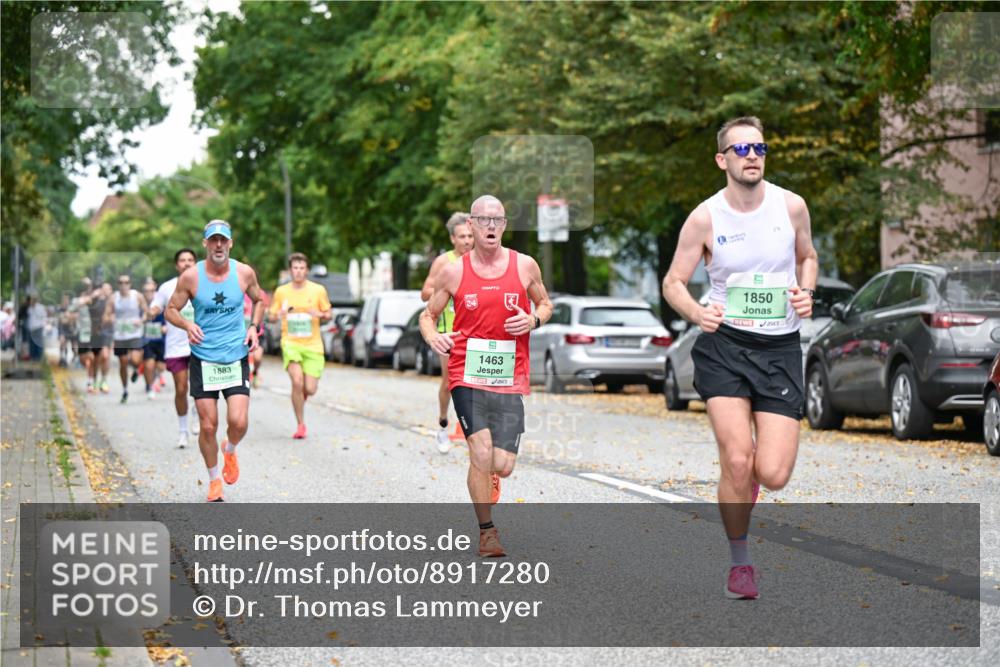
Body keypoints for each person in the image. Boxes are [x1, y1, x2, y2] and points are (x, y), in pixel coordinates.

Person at [662, 116, 817, 600]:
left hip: (779, 348)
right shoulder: (705, 217)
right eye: (742, 149)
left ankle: (746, 481)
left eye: (760, 148)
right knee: (736, 457)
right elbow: (673, 282)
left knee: (772, 473)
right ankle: (740, 563)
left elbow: (807, 256)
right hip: (725, 346)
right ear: (722, 159)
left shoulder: (791, 206)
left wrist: (806, 291)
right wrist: (696, 312)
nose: (752, 156)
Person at [421, 195, 552, 557]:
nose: (491, 226)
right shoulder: (454, 271)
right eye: (483, 220)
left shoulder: (525, 266)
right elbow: (427, 315)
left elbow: (545, 304)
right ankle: (487, 532)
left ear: (504, 225)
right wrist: (434, 337)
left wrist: (533, 319)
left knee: (502, 466)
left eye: (497, 220)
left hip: (509, 375)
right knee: (479, 451)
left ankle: (489, 473)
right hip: (467, 371)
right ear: (472, 226)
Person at [165, 220, 264, 502]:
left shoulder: (244, 273)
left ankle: (229, 450)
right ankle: (213, 480)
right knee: (208, 425)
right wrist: (186, 325)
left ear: (230, 243)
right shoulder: (191, 277)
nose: (218, 245)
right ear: (205, 244)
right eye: (213, 240)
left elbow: (259, 300)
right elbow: (170, 310)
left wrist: (253, 327)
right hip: (203, 358)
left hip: (235, 355)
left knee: (239, 421)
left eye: (223, 240)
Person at [421, 212, 474, 453]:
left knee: (475, 380)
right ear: (453, 238)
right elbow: (425, 293)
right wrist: (448, 291)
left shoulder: (481, 260)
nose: (467, 241)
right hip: (448, 333)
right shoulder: (444, 262)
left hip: (474, 330)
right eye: (462, 236)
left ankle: (473, 427)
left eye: (470, 236)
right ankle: (443, 423)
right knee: (450, 381)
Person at [268, 253, 332, 439]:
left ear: (307, 270)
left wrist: (319, 314)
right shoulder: (282, 292)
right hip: (291, 343)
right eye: (295, 268)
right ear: (290, 270)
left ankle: (301, 395)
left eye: (302, 268)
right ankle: (300, 425)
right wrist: (278, 313)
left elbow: (329, 314)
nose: (298, 271)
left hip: (313, 345)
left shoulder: (318, 290)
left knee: (309, 389)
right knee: (297, 381)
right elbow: (271, 317)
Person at [149, 249, 200, 447]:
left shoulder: (203, 284)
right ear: (176, 265)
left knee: (198, 387)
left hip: (200, 343)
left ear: (195, 263)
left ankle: (197, 412)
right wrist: (152, 311)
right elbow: (156, 305)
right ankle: (182, 430)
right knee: (181, 388)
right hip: (176, 346)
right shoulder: (167, 287)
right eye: (182, 260)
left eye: (190, 260)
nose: (186, 263)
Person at [105, 275, 148, 403]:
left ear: (130, 284)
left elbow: (147, 312)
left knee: (135, 359)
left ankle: (136, 368)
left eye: (126, 282)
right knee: (123, 362)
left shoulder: (137, 296)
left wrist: (141, 320)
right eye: (121, 282)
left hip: (134, 333)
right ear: (118, 284)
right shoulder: (113, 298)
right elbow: (106, 316)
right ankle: (125, 390)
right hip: (120, 335)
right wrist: (110, 319)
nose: (124, 284)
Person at [141, 279, 166, 400]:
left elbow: (171, 313)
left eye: (151, 290)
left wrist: (167, 326)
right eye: (146, 290)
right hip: (147, 340)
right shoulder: (140, 303)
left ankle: (156, 376)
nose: (149, 293)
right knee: (149, 365)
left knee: (161, 367)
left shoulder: (162, 301)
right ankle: (150, 387)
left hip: (162, 339)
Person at [26, 295, 48, 361]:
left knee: (38, 343)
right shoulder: (30, 307)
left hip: (38, 327)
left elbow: (43, 315)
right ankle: (33, 356)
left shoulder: (40, 307)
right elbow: (29, 316)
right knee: (32, 343)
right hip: (31, 328)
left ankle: (39, 357)